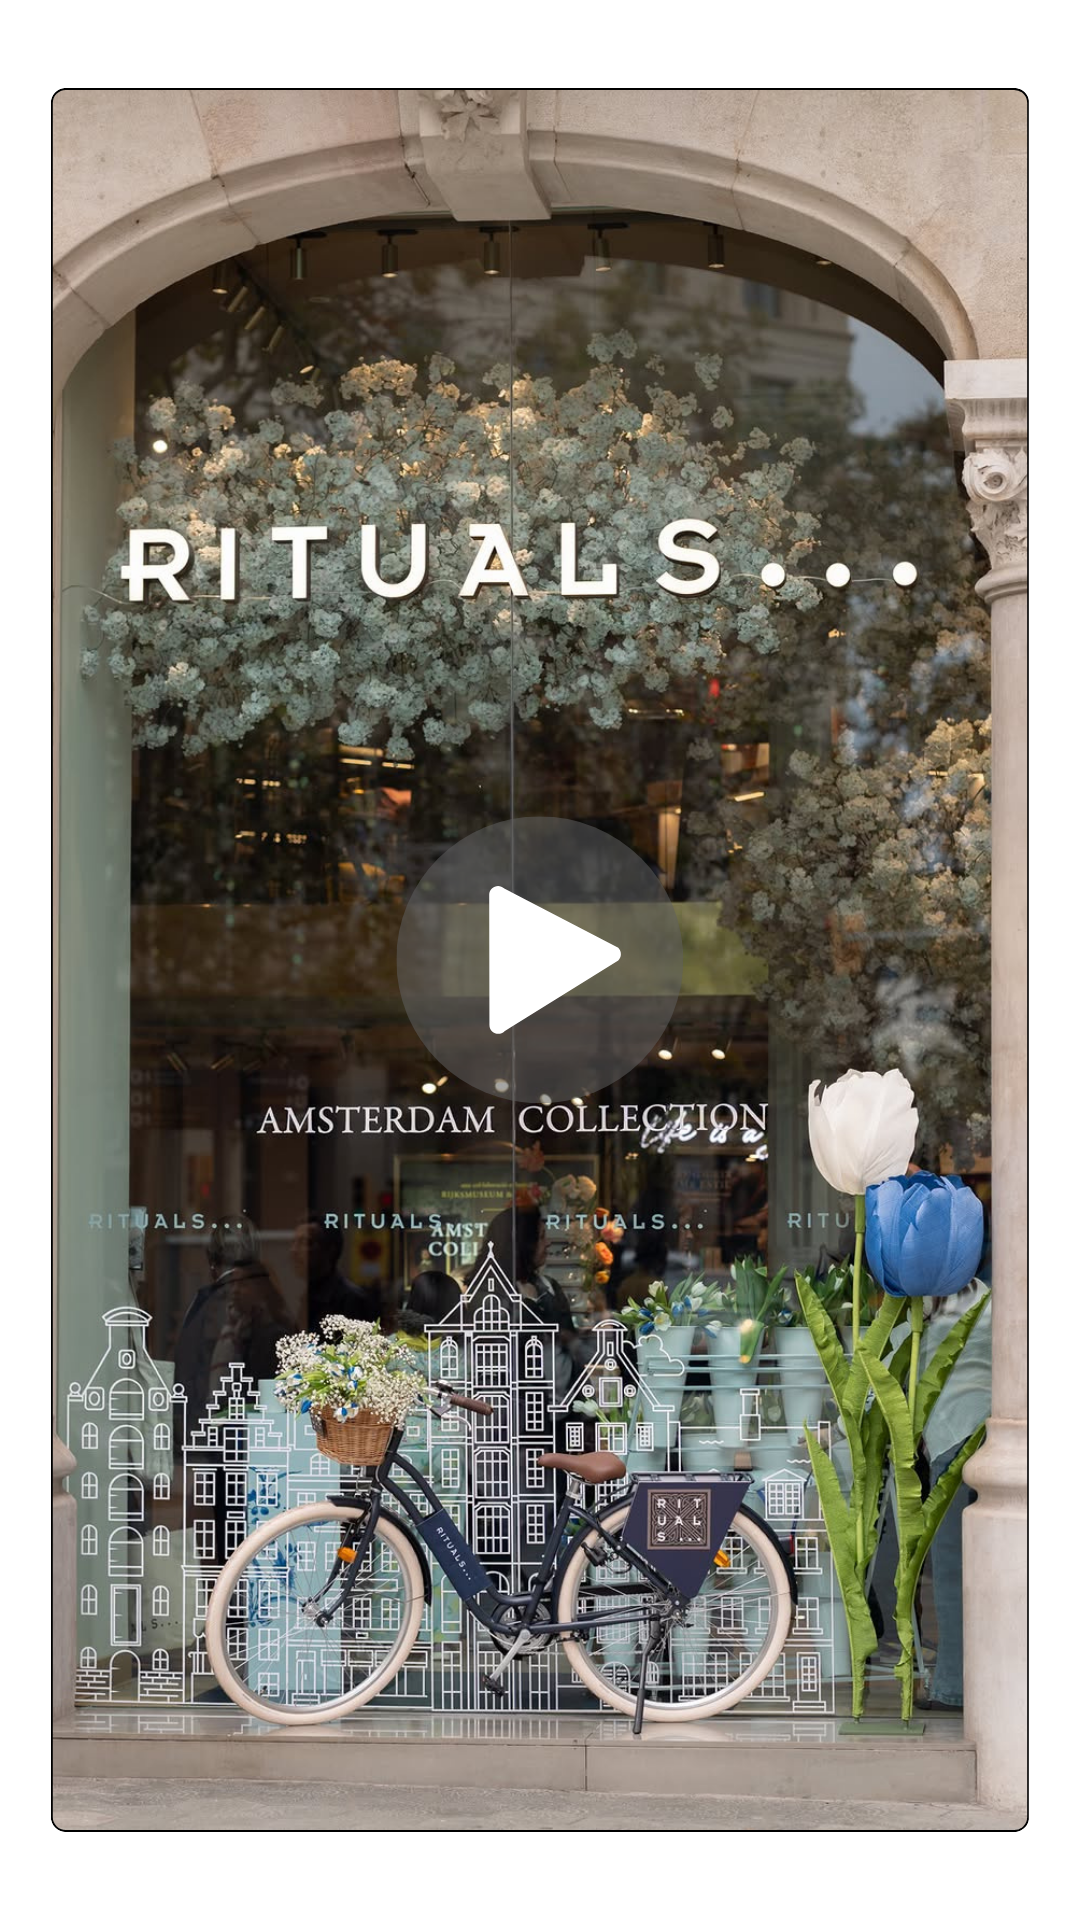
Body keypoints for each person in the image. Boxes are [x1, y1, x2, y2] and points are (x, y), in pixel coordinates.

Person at [916, 1276, 992, 1711]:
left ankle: (951, 1688)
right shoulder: (986, 1296)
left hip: (958, 1441)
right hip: (979, 1437)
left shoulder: (934, 1303)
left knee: (951, 1567)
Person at [174, 1215, 294, 1420]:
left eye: (244, 1283)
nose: (236, 1290)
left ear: (212, 1263)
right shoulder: (258, 1305)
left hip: (215, 1425)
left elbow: (185, 1370)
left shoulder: (206, 1306)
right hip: (237, 1425)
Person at [473, 1204, 579, 1398]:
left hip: (562, 1408)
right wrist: (529, 1303)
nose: (548, 1243)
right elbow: (506, 1348)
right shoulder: (487, 1293)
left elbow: (570, 1344)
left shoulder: (549, 1287)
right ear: (522, 1244)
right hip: (518, 1411)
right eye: (540, 1237)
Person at [291, 1216, 372, 1332]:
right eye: (294, 1242)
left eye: (305, 1242)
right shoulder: (306, 1296)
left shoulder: (350, 1300)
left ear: (330, 1250)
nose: (294, 1250)